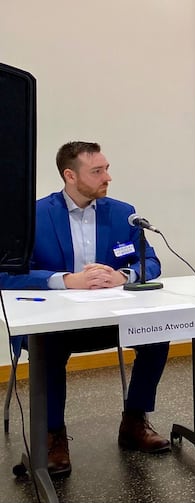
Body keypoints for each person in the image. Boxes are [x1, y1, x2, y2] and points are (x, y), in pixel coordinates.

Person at [0, 141, 170, 478]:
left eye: (106, 168)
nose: (108, 177)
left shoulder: (122, 213)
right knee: (48, 347)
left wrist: (124, 275)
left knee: (158, 335)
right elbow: (7, 274)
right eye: (97, 171)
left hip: (109, 317)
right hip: (54, 323)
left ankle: (134, 421)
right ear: (70, 176)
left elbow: (150, 260)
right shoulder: (34, 216)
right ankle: (52, 436)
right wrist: (66, 280)